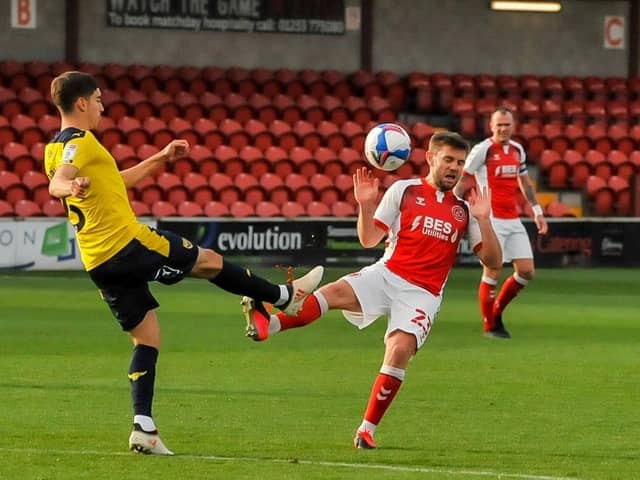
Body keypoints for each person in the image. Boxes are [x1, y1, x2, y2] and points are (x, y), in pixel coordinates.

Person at [44, 71, 324, 456]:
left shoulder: (53, 147)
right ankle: (283, 297)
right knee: (208, 261)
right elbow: (58, 183)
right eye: (97, 99)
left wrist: (160, 158)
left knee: (147, 337)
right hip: (127, 244)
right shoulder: (80, 142)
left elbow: (115, 181)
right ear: (80, 104)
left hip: (98, 261)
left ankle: (143, 426)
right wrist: (69, 186)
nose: (101, 106)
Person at [241, 132, 502, 449]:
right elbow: (368, 239)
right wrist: (365, 205)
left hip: (423, 293)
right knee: (334, 292)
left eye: (460, 163)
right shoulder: (403, 190)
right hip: (388, 273)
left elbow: (493, 260)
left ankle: (366, 430)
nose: (455, 168)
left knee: (400, 350)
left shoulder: (463, 209)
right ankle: (271, 323)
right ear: (431, 158)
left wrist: (485, 220)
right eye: (448, 159)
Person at [454, 106, 548, 339]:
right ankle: (490, 325)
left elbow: (525, 183)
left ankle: (496, 311)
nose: (503, 129)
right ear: (491, 126)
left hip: (513, 218)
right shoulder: (482, 150)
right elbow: (464, 179)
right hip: (491, 218)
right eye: (499, 125)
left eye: (507, 124)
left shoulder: (517, 150)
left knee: (526, 271)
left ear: (513, 126)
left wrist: (537, 211)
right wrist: (452, 204)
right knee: (492, 270)